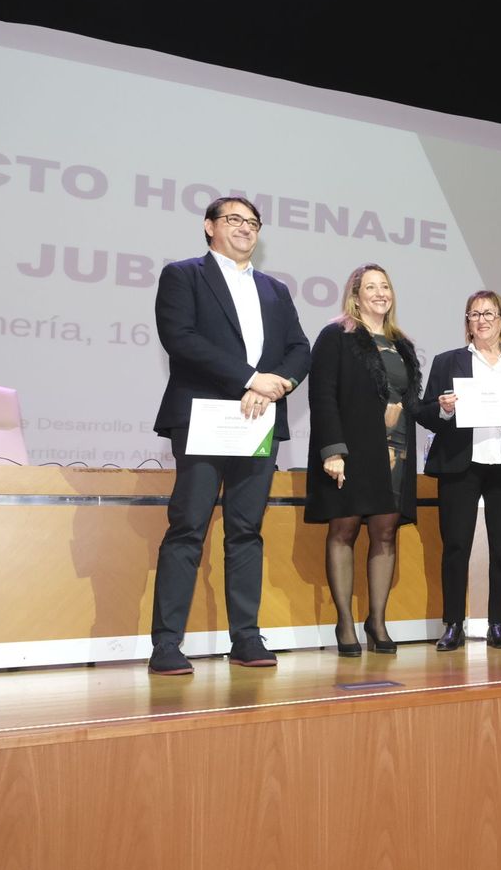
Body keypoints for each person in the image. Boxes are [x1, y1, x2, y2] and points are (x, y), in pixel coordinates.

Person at [147, 196, 310, 675]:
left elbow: (299, 348)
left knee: (246, 531)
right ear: (208, 226)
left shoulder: (274, 289)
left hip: (259, 420)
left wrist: (277, 383)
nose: (245, 228)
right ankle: (167, 644)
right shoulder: (184, 275)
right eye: (234, 220)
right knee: (188, 528)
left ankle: (245, 637)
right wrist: (249, 378)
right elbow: (180, 338)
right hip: (204, 417)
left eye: (253, 222)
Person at [418, 291, 501, 651]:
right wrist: (443, 409)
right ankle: (453, 625)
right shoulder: (447, 362)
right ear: (468, 324)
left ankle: (498, 625)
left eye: (489, 313)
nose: (482, 320)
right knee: (456, 546)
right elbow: (426, 412)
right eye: (474, 314)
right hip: (462, 462)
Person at [304, 264, 421, 656]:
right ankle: (343, 623)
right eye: (370, 286)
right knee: (345, 530)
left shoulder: (400, 341)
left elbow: (411, 401)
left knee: (386, 533)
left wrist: (445, 409)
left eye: (385, 286)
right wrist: (332, 450)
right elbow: (321, 395)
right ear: (355, 295)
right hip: (351, 451)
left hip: (397, 451)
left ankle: (377, 621)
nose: (379, 293)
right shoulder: (336, 336)